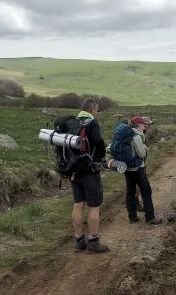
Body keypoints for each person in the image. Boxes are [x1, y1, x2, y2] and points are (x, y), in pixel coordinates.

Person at [71, 98, 110, 252]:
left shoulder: (73, 123)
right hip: (90, 170)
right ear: (92, 110)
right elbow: (99, 141)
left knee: (78, 204)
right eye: (97, 110)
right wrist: (102, 157)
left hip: (74, 170)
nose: (97, 112)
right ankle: (93, 241)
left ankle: (79, 240)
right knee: (94, 206)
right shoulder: (92, 123)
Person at [124, 116, 162, 224]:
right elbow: (141, 154)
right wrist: (145, 149)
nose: (144, 126)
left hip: (127, 168)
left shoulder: (127, 134)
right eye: (142, 124)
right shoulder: (136, 136)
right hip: (137, 168)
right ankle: (150, 217)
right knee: (146, 191)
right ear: (139, 125)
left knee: (130, 192)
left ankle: (132, 217)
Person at [133, 116, 154, 211]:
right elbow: (140, 151)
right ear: (142, 124)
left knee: (135, 183)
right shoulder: (138, 134)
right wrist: (144, 150)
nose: (148, 126)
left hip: (135, 162)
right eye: (147, 124)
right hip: (137, 163)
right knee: (142, 185)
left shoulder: (140, 132)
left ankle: (134, 202)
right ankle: (136, 202)